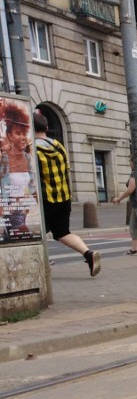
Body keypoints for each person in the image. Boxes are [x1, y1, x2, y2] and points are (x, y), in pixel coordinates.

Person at [32, 112, 100, 276]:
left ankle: (42, 266)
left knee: (34, 234)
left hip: (44, 200)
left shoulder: (32, 149)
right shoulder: (59, 146)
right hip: (64, 198)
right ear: (47, 128)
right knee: (62, 232)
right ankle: (88, 254)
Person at [0, 101, 37, 239]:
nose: (22, 137)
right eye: (17, 133)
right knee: (25, 235)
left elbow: (32, 185)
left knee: (15, 239)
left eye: (24, 133)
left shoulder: (27, 157)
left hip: (24, 209)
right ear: (9, 136)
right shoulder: (5, 158)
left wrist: (37, 202)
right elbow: (2, 184)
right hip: (11, 209)